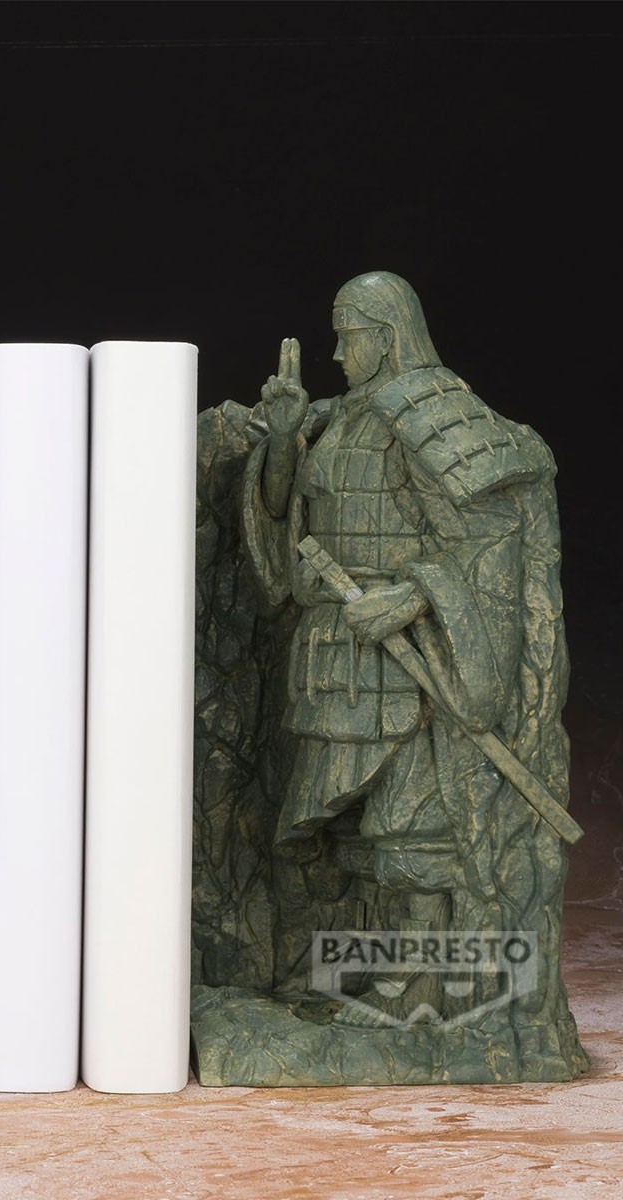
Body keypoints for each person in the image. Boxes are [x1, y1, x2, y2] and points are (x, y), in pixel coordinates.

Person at [240, 272, 584, 1059]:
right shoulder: (340, 418)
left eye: (349, 335)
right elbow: (292, 515)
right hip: (336, 653)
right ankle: (385, 971)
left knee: (411, 820)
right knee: (360, 825)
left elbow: (489, 540)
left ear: (388, 334)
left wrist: (412, 596)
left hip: (410, 656)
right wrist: (286, 441)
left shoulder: (434, 412)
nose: (337, 353)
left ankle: (424, 985)